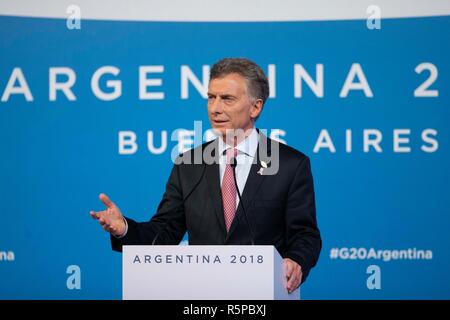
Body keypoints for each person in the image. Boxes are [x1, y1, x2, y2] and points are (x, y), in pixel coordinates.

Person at [90, 57, 321, 293]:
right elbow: (164, 233)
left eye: (227, 99)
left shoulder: (290, 165)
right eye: (211, 97)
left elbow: (305, 235)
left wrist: (296, 261)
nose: (215, 108)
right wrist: (125, 228)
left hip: (265, 293)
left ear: (256, 107)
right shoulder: (189, 165)